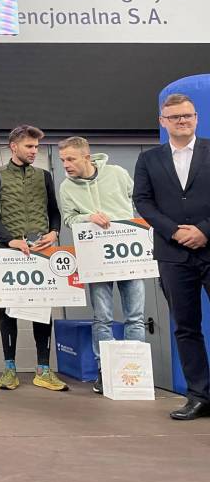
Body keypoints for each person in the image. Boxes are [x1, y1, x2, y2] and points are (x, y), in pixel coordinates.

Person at [133, 93, 210, 420]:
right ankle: (199, 396)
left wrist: (204, 230)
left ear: (196, 118)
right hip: (173, 255)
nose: (182, 121)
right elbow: (143, 200)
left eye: (187, 115)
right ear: (163, 122)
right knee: (186, 327)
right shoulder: (148, 159)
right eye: (175, 116)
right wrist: (174, 231)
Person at [0, 124, 68, 392]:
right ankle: (10, 370)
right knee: (8, 309)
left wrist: (54, 232)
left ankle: (43, 370)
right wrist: (9, 239)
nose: (34, 151)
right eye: (29, 146)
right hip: (9, 251)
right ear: (14, 146)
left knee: (42, 308)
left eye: (36, 147)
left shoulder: (44, 176)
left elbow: (54, 211)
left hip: (41, 251)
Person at [58, 136, 144, 395]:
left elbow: (138, 199)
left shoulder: (117, 173)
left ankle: (136, 370)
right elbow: (69, 219)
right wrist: (89, 217)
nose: (66, 165)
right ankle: (105, 372)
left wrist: (135, 227)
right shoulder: (66, 187)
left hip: (128, 254)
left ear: (87, 157)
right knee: (102, 318)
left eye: (70, 159)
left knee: (135, 317)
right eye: (62, 160)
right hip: (96, 258)